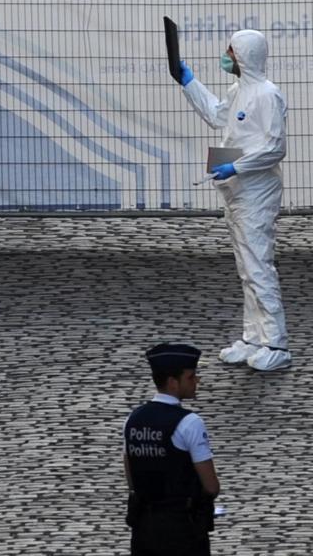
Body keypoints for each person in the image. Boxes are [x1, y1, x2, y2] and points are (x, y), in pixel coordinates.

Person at [177, 29, 290, 371]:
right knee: (246, 268)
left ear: (244, 55)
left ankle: (276, 343)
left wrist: (235, 166)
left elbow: (274, 148)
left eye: (230, 51)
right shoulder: (237, 90)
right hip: (237, 191)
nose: (226, 56)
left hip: (257, 192)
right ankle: (253, 337)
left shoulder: (268, 95)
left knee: (259, 266)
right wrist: (189, 82)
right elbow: (216, 115)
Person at [124, 343, 219, 556]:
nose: (197, 381)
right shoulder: (189, 422)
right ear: (172, 382)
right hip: (182, 529)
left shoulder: (133, 419)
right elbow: (211, 486)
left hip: (144, 528)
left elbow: (131, 478)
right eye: (191, 377)